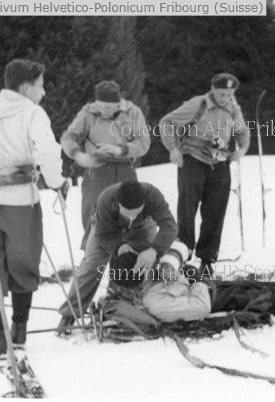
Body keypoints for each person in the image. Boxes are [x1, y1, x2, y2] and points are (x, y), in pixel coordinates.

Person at [0, 59, 67, 354]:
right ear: (25, 88)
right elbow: (47, 150)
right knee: (23, 265)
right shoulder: (32, 113)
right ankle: (19, 331)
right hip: (21, 202)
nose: (43, 92)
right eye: (40, 86)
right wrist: (56, 181)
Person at [106, 241, 275, 322]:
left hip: (214, 287)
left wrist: (183, 272)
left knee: (271, 285)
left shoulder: (152, 280)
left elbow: (180, 250)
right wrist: (195, 281)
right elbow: (200, 307)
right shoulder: (154, 301)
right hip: (218, 299)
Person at [159, 73, 250, 276]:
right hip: (193, 159)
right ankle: (183, 254)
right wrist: (173, 149)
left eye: (229, 94)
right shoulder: (197, 104)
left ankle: (207, 260)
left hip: (220, 161)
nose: (225, 98)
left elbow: (242, 131)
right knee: (187, 209)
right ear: (212, 89)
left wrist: (242, 149)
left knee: (215, 212)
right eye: (221, 94)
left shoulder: (233, 109)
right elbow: (167, 122)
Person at [57, 180, 178, 331]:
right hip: (106, 228)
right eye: (128, 212)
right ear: (118, 204)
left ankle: (138, 305)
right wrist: (118, 247)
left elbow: (170, 226)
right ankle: (69, 313)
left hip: (142, 225)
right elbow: (104, 235)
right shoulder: (106, 199)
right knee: (92, 265)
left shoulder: (153, 196)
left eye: (136, 211)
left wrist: (153, 251)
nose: (132, 216)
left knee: (147, 263)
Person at [61, 81, 151, 248]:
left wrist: (121, 150)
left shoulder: (133, 112)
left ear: (118, 103)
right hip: (97, 169)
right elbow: (69, 137)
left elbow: (143, 142)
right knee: (94, 216)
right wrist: (78, 154)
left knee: (131, 215)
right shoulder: (88, 112)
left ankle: (127, 256)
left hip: (125, 168)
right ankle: (90, 258)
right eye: (100, 106)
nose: (103, 110)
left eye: (108, 107)